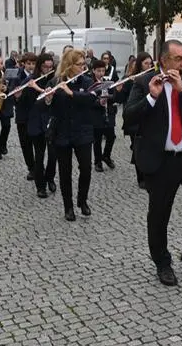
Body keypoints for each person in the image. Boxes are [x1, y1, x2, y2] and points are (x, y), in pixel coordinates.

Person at [123, 40, 182, 286]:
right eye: (179, 59)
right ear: (163, 60)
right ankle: (162, 263)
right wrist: (152, 98)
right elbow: (129, 117)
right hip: (161, 161)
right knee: (159, 214)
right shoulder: (144, 83)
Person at [45, 49, 98, 221]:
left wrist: (71, 93)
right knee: (64, 171)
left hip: (83, 131)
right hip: (62, 132)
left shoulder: (88, 81)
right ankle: (68, 207)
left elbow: (90, 99)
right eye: (79, 64)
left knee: (86, 169)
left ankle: (82, 201)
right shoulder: (55, 81)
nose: (83, 67)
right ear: (69, 65)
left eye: (84, 64)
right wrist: (48, 99)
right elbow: (48, 109)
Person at [23, 54, 57, 198]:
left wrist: (41, 89)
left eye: (50, 67)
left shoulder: (55, 79)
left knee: (53, 154)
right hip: (36, 121)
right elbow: (27, 102)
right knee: (39, 154)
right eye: (45, 66)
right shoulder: (31, 80)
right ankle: (40, 186)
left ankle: (50, 177)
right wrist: (21, 94)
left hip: (52, 120)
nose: (47, 69)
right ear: (39, 66)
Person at [121, 52, 155, 188]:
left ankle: (148, 173)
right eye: (146, 63)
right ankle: (140, 177)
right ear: (140, 64)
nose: (149, 66)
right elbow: (123, 96)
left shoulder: (152, 77)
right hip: (134, 118)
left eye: (150, 63)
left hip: (147, 114)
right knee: (137, 147)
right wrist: (124, 85)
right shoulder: (133, 78)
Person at [91, 59, 123, 172]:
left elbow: (114, 97)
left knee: (111, 136)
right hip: (96, 114)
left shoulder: (107, 82)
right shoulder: (91, 83)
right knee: (97, 139)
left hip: (108, 112)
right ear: (93, 70)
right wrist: (98, 102)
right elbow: (89, 100)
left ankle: (106, 155)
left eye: (103, 71)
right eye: (98, 71)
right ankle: (98, 161)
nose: (101, 73)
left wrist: (116, 92)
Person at [13, 53, 39, 180]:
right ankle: (31, 168)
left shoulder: (38, 76)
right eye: (29, 63)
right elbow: (12, 97)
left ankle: (39, 167)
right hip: (23, 116)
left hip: (36, 115)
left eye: (33, 63)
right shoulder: (17, 77)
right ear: (24, 63)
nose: (31, 66)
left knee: (38, 144)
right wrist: (17, 97)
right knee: (26, 144)